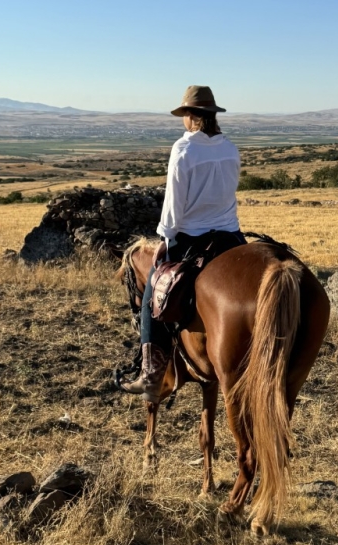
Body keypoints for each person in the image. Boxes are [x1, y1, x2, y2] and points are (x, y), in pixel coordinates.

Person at [120, 85, 245, 403]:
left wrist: (166, 237)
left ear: (191, 116)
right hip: (231, 235)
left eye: (184, 115)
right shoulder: (230, 148)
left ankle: (150, 375)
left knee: (152, 291)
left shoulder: (184, 148)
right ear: (212, 115)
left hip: (192, 236)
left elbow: (174, 202)